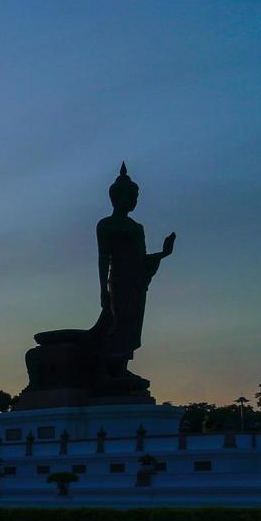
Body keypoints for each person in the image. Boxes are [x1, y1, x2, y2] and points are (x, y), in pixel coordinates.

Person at [93, 163, 175, 388]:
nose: (135, 201)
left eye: (136, 197)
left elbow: (142, 259)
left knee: (132, 325)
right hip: (118, 281)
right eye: (132, 196)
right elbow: (103, 258)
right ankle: (106, 370)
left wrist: (164, 253)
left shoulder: (137, 227)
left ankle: (121, 368)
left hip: (136, 282)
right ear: (118, 197)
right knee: (118, 323)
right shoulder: (106, 225)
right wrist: (102, 289)